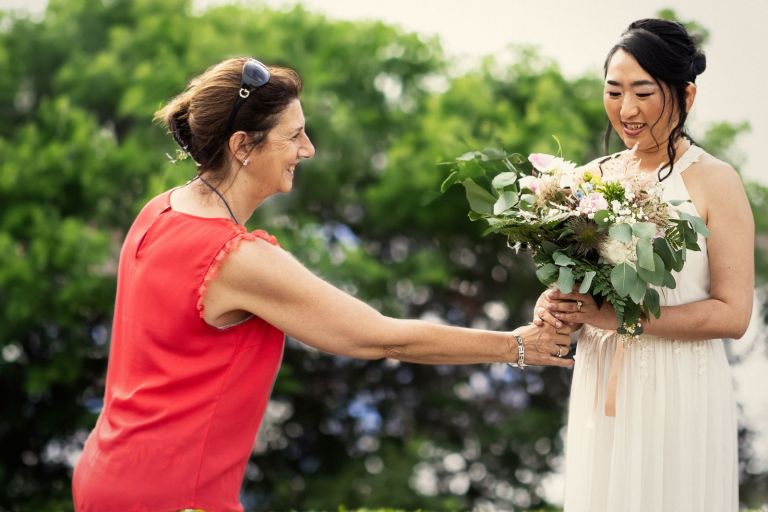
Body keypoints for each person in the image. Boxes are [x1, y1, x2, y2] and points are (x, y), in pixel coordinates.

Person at [71, 57, 573, 512]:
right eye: (294, 136)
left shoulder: (159, 210)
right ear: (243, 145)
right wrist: (516, 345)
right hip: (172, 498)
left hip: (105, 474)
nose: (307, 150)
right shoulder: (237, 260)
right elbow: (379, 337)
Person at [534, 19, 754, 512]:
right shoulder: (587, 181)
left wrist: (619, 318)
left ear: (686, 95)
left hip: (683, 387)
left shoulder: (716, 181)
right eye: (614, 91)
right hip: (601, 382)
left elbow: (733, 314)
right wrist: (558, 302)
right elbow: (576, 282)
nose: (626, 110)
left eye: (643, 92)